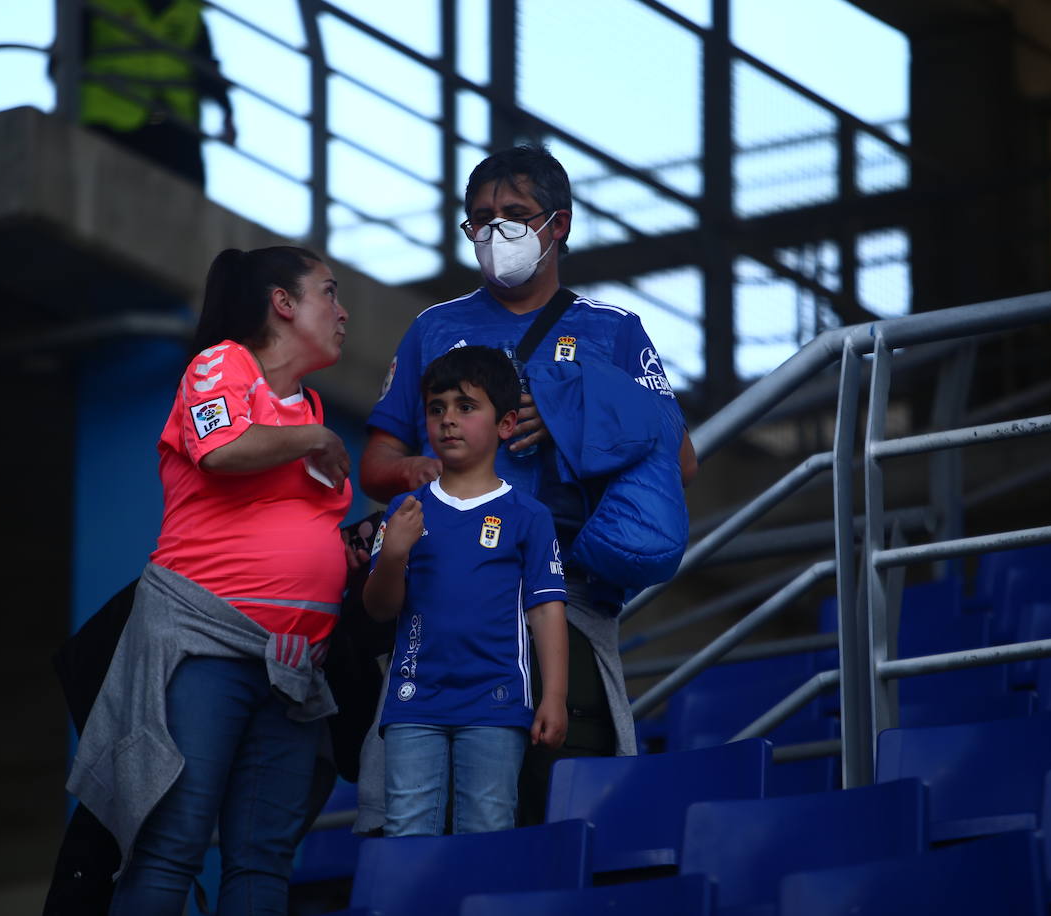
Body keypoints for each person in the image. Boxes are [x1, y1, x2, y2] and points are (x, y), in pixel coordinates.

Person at [360, 144, 697, 826]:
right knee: (423, 822)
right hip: (442, 594)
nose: (496, 232)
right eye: (480, 218)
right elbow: (376, 463)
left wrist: (578, 413)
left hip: (566, 593)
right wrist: (419, 470)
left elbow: (680, 456)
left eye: (515, 215)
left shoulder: (613, 330)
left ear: (560, 226)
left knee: (561, 810)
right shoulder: (436, 326)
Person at [65, 246, 366, 916]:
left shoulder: (307, 402)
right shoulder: (222, 364)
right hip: (206, 646)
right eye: (328, 292)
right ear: (283, 304)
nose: (343, 312)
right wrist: (314, 438)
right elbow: (222, 449)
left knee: (263, 862)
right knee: (172, 845)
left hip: (292, 665)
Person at [364, 345, 568, 836]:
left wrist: (555, 696)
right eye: (437, 409)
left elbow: (546, 610)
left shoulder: (529, 515)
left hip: (495, 703)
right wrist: (394, 555)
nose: (448, 420)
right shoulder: (405, 510)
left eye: (466, 406)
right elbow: (378, 609)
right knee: (406, 834)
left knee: (488, 832)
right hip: (414, 702)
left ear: (506, 424)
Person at [77, 0, 236, 187]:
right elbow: (65, 58)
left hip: (176, 125)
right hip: (110, 119)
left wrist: (227, 112)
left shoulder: (188, 10)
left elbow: (205, 67)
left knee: (187, 203)